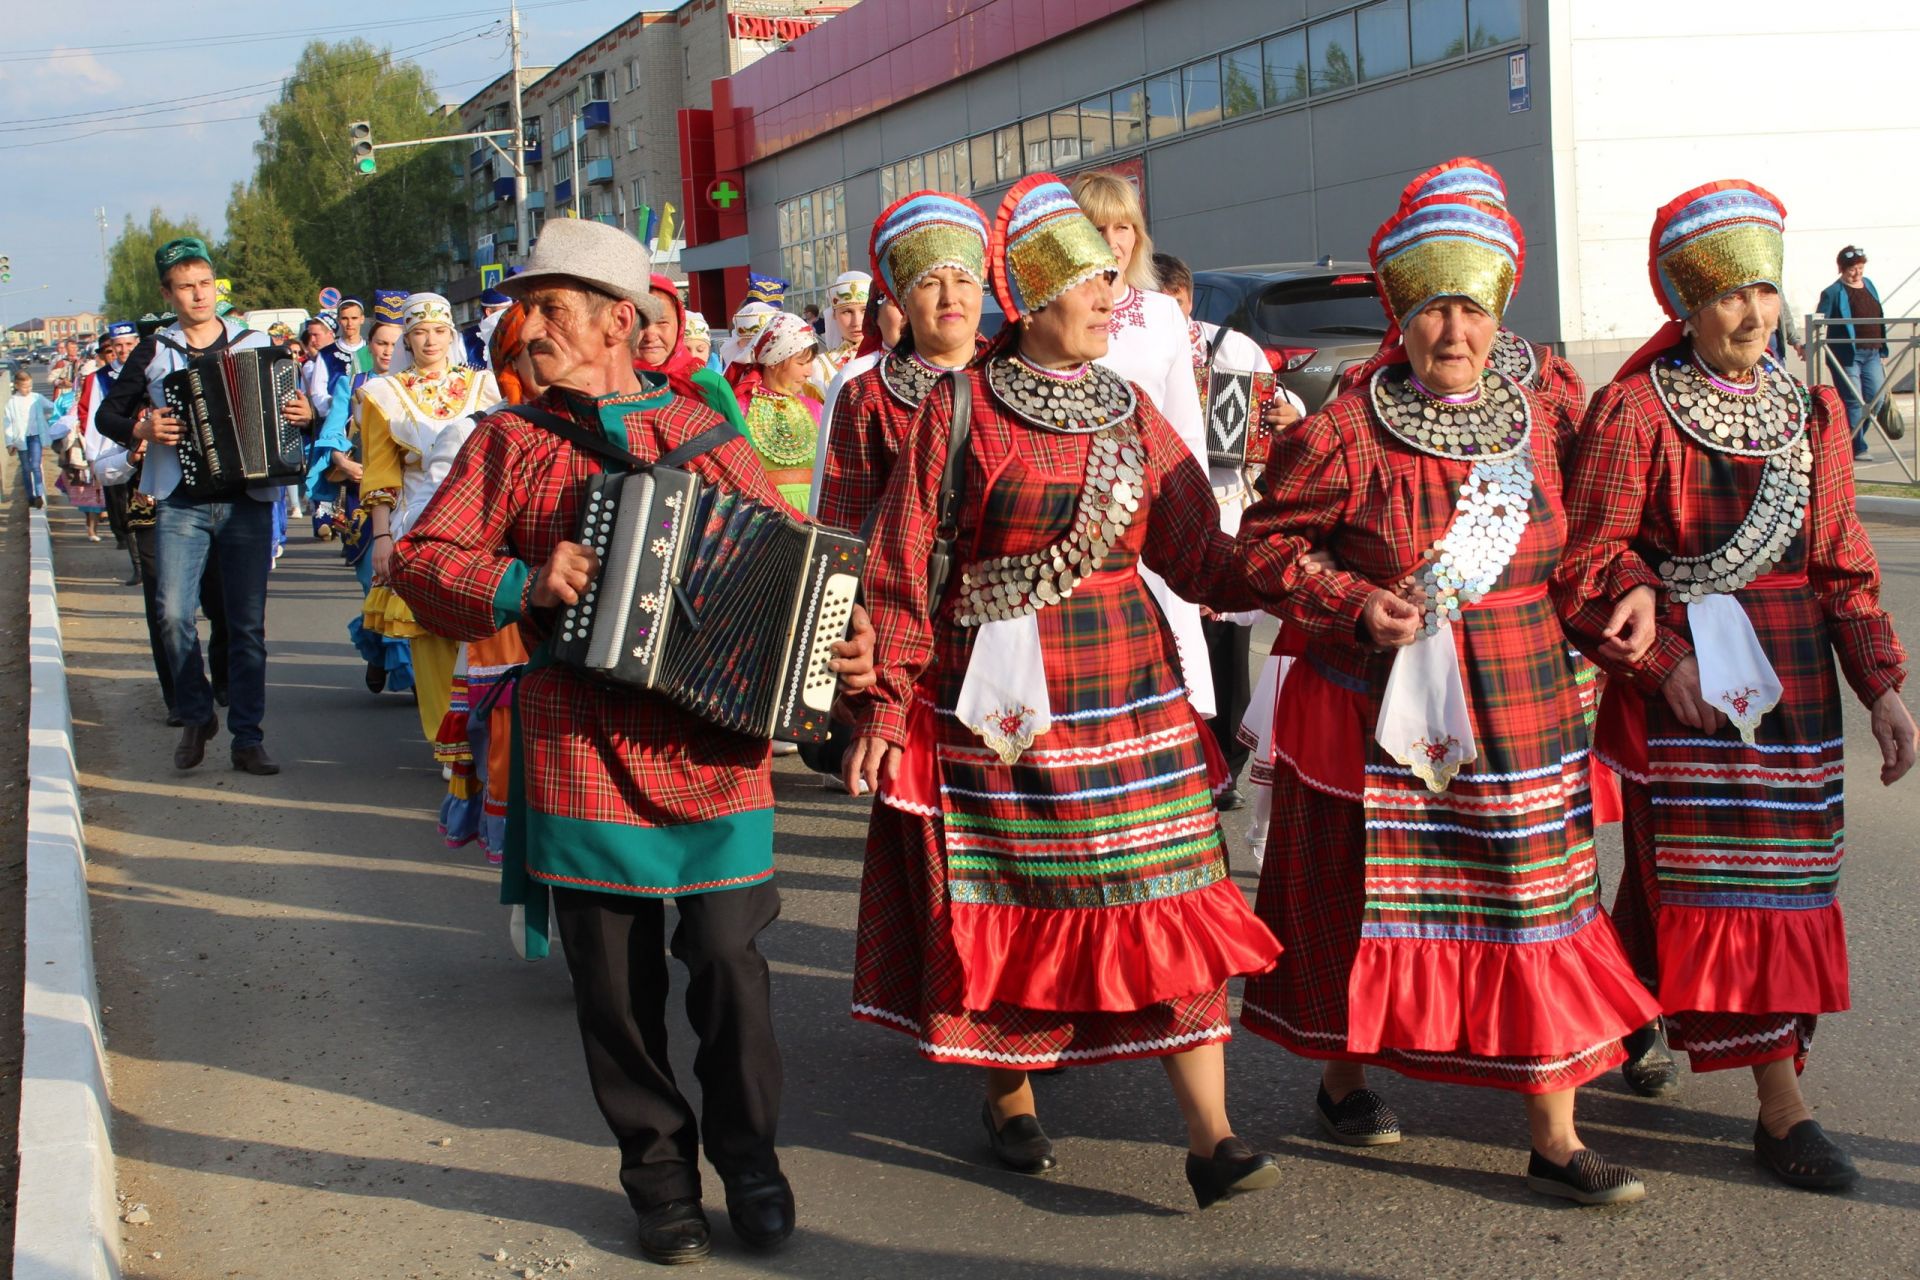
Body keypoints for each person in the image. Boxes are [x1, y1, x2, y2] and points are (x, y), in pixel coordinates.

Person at [388, 216, 876, 1265]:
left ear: (620, 320)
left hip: (713, 749)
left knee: (730, 961)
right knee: (614, 986)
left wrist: (841, 637)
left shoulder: (707, 425)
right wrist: (522, 581)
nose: (531, 333)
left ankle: (751, 1158)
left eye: (553, 311)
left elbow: (797, 564)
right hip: (582, 741)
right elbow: (420, 560)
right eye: (526, 312)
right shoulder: (509, 439)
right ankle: (659, 1177)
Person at [841, 174, 1283, 1209]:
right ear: (1036, 298)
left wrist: (1301, 565)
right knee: (1012, 896)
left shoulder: (1129, 409)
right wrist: (881, 698)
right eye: (1092, 283)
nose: (1109, 299)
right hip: (1001, 704)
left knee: (1171, 886)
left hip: (1130, 687)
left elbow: (1199, 555)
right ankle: (1012, 1096)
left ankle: (1212, 1134)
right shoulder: (956, 410)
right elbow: (901, 574)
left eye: (1111, 282)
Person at [1235, 183, 1661, 1205]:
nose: (1453, 327)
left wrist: (1633, 580)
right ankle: (1344, 1076)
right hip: (1380, 709)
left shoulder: (1553, 407)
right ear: (1401, 314)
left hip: (1524, 695)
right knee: (1366, 897)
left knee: (1535, 902)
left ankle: (1554, 1129)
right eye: (1432, 308)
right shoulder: (1343, 431)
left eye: (1471, 308)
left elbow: (1601, 532)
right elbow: (1265, 549)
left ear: (1499, 310)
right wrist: (1348, 597)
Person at [1552, 181, 1915, 1191]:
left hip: (1796, 680)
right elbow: (1586, 563)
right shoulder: (1633, 411)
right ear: (1685, 302)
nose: (1752, 313)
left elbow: (1843, 562)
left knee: (1782, 882)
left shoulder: (1812, 409)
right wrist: (1658, 659)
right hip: (1694, 686)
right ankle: (1780, 1106)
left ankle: (1630, 1003)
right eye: (1726, 296)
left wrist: (1881, 684)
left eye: (1763, 288)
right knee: (1723, 882)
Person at [96, 236, 312, 775]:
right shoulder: (154, 349)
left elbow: (291, 410)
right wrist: (141, 426)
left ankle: (247, 737)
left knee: (245, 626)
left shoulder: (255, 340)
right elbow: (109, 417)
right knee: (172, 614)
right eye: (186, 287)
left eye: (204, 284)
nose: (198, 295)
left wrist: (302, 413)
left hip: (248, 501)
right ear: (168, 295)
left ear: (216, 286)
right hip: (180, 501)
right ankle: (197, 713)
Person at [1155, 251, 1307, 811]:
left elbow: (1283, 404)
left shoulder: (1232, 348)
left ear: (1186, 300)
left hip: (1222, 503)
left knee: (1225, 646)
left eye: (1172, 305)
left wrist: (1286, 417)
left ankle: (1225, 767)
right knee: (1168, 645)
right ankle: (1180, 760)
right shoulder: (1130, 346)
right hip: (1154, 509)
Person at [1068, 170, 1215, 720]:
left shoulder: (1160, 313)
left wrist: (1202, 524)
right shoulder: (1057, 312)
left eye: (1124, 225)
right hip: (1075, 505)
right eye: (1098, 226)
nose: (1114, 239)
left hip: (1156, 505)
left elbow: (1184, 425)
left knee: (1170, 657)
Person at [357, 292, 501, 840]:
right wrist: (383, 536)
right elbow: (380, 471)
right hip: (418, 520)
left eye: (439, 329)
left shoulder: (485, 386)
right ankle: (451, 744)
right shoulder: (383, 395)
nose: (430, 339)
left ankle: (491, 735)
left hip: (483, 519)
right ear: (406, 339)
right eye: (419, 331)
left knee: (487, 630)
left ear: (452, 334)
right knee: (429, 632)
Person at [814, 191, 990, 533]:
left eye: (964, 280)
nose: (949, 298)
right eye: (930, 283)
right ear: (902, 300)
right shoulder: (866, 396)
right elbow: (845, 528)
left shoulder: (1012, 378)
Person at [306, 293, 413, 697]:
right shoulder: (352, 384)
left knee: (412, 587)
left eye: (396, 343)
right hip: (365, 501)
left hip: (413, 499)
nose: (389, 351)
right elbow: (332, 435)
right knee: (377, 584)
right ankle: (376, 653)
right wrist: (344, 462)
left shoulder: (424, 386)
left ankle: (415, 670)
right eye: (382, 343)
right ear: (370, 346)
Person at [633, 273, 750, 434]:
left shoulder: (709, 384)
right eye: (640, 322)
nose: (651, 335)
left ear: (679, 324)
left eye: (662, 322)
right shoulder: (607, 385)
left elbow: (743, 453)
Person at [731, 311, 824, 513]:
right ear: (774, 360)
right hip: (762, 513)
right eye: (801, 363)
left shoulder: (815, 408)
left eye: (810, 362)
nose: (809, 372)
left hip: (814, 513)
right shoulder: (740, 407)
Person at [1815, 245, 1888, 458]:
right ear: (1841, 268)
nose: (1857, 273)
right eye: (1852, 269)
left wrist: (1883, 350)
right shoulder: (1833, 292)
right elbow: (1818, 323)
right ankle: (1858, 447)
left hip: (1872, 352)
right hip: (1847, 356)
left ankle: (1850, 438)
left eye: (1860, 267)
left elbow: (1879, 315)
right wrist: (1808, 347)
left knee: (1877, 398)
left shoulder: (1870, 285)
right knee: (1854, 400)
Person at [3, 369, 61, 509]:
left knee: (35, 465)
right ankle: (30, 497)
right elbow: (8, 423)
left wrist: (63, 403)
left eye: (30, 386)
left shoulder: (36, 397)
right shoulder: (12, 402)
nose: (28, 389)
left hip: (35, 436)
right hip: (20, 439)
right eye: (24, 387)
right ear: (17, 385)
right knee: (26, 468)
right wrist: (10, 443)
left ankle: (39, 494)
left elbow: (52, 406)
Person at [304, 298, 369, 421]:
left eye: (354, 318)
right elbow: (317, 393)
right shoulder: (326, 354)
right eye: (345, 318)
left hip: (368, 420)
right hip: (335, 421)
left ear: (362, 319)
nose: (350, 324)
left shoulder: (371, 351)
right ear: (339, 320)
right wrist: (336, 406)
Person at [820, 271, 871, 373]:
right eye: (847, 312)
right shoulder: (821, 366)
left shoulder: (891, 358)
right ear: (834, 315)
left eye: (864, 311)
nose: (856, 322)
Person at [461, 286, 514, 369]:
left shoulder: (515, 333)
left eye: (512, 309)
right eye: (505, 310)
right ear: (489, 312)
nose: (510, 314)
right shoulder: (465, 339)